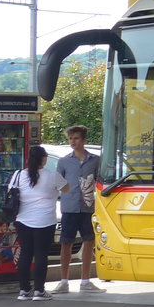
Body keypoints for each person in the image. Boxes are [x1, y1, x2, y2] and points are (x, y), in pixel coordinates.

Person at [12, 145, 68, 301]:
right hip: (45, 221)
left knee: (25, 254)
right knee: (41, 255)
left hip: (22, 220)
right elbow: (67, 188)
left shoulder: (18, 175)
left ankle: (23, 290)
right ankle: (39, 291)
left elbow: (11, 191)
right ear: (44, 159)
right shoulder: (52, 175)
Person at [53, 125, 104, 294]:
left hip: (87, 207)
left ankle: (85, 280)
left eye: (76, 138)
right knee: (66, 242)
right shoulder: (64, 161)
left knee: (89, 241)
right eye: (70, 139)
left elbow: (100, 182)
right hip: (69, 206)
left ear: (84, 140)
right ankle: (64, 280)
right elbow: (58, 182)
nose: (72, 142)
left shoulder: (95, 160)